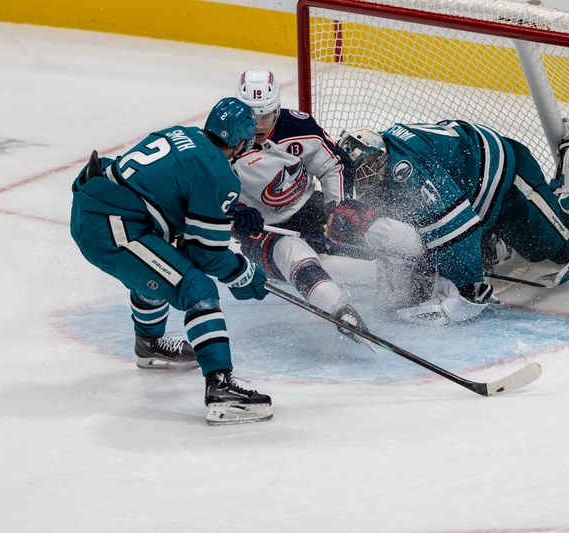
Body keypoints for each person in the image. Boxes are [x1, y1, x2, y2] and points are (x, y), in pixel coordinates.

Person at [70, 97, 272, 425]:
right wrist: (243, 273)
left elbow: (171, 191)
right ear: (240, 142)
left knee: (165, 264)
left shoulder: (185, 134)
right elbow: (206, 255)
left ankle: (149, 344)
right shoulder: (218, 173)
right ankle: (220, 386)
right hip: (113, 226)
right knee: (197, 289)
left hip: (99, 209)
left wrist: (224, 212)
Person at [324, 119, 569, 325]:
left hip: (503, 174)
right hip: (467, 185)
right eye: (360, 172)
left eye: (371, 165)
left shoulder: (404, 168)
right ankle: (489, 238)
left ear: (382, 153)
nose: (367, 175)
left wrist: (467, 289)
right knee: (446, 243)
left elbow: (454, 228)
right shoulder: (377, 173)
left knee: (561, 248)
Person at [229, 69, 367, 340]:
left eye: (265, 116)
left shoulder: (299, 128)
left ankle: (423, 262)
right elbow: (203, 196)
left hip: (309, 209)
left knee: (363, 228)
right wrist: (233, 212)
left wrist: (338, 209)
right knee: (295, 252)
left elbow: (334, 165)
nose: (258, 125)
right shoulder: (224, 141)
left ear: (277, 110)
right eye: (250, 116)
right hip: (262, 231)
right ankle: (341, 311)